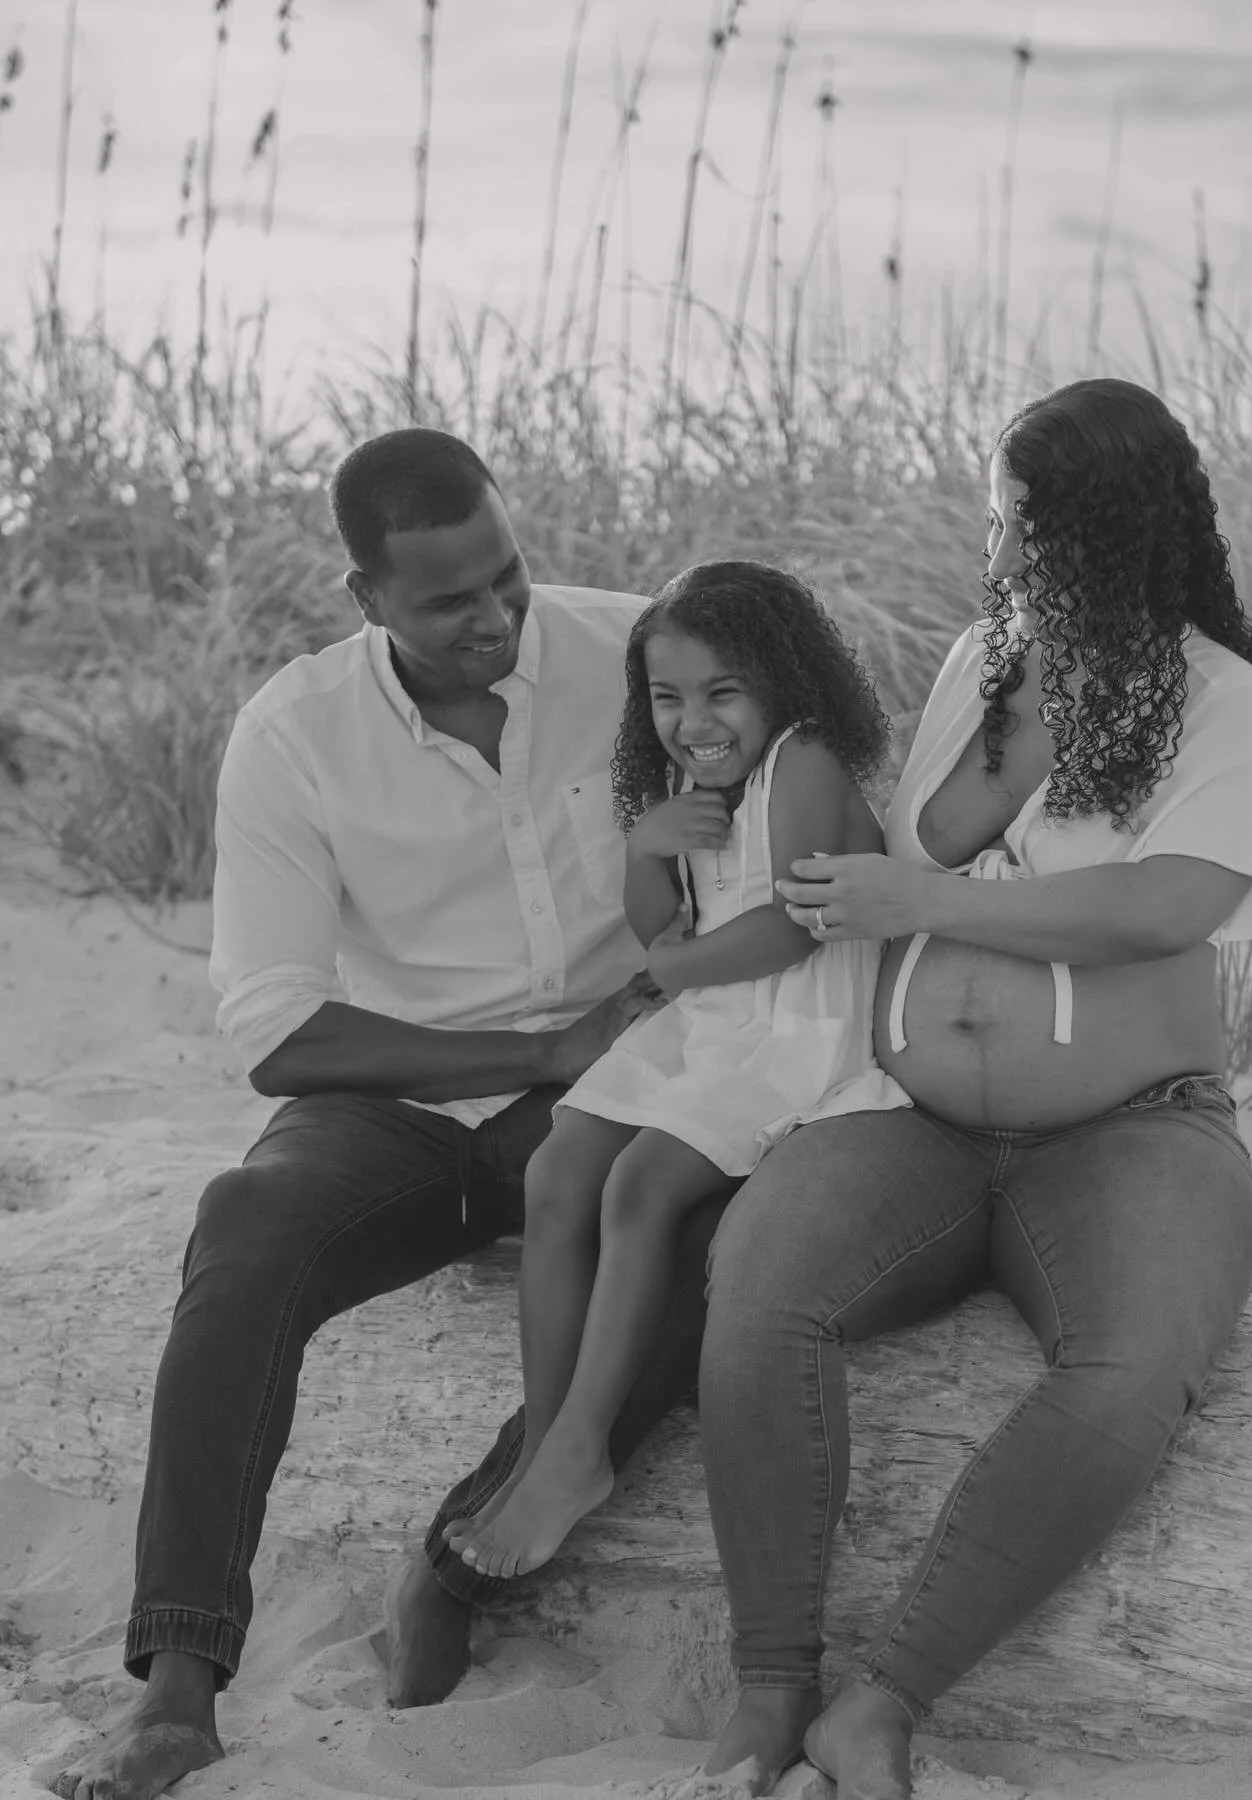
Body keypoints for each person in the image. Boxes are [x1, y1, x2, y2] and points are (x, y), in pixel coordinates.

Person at [51, 428, 727, 1800]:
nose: (495, 619)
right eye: (448, 601)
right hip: (399, 1100)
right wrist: (537, 1039)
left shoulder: (627, 658)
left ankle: (456, 1569)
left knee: (704, 1238)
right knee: (244, 1232)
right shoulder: (296, 736)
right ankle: (179, 1687)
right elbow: (279, 1031)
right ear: (367, 600)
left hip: (599, 1099)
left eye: (509, 578)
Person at [695, 377, 1252, 1799]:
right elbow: (898, 851)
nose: (1009, 558)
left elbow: (1165, 904)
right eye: (1002, 527)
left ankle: (886, 1699)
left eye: (1036, 532)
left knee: (1132, 1369)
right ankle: (770, 1689)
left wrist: (925, 896)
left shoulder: (1219, 696)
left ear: (1122, 533)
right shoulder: (984, 659)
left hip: (1131, 1133)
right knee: (757, 1288)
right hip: (914, 1118)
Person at [442, 562, 910, 1580]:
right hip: (713, 1027)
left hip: (800, 1029)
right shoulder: (691, 786)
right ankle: (544, 1441)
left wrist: (670, 967)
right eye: (666, 697)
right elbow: (666, 922)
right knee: (559, 1169)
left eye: (720, 692)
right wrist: (647, 851)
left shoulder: (805, 762)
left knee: (643, 1183)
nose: (693, 720)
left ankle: (580, 1449)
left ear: (784, 683)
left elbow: (792, 929)